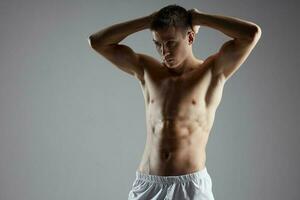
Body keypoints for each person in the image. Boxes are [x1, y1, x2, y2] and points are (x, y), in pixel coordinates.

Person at [88, 4, 261, 200]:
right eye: (158, 44)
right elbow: (97, 42)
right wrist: (148, 21)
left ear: (190, 37)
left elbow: (251, 34)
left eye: (171, 43)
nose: (164, 51)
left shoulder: (212, 72)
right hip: (148, 184)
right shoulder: (147, 70)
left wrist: (199, 18)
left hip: (189, 186)